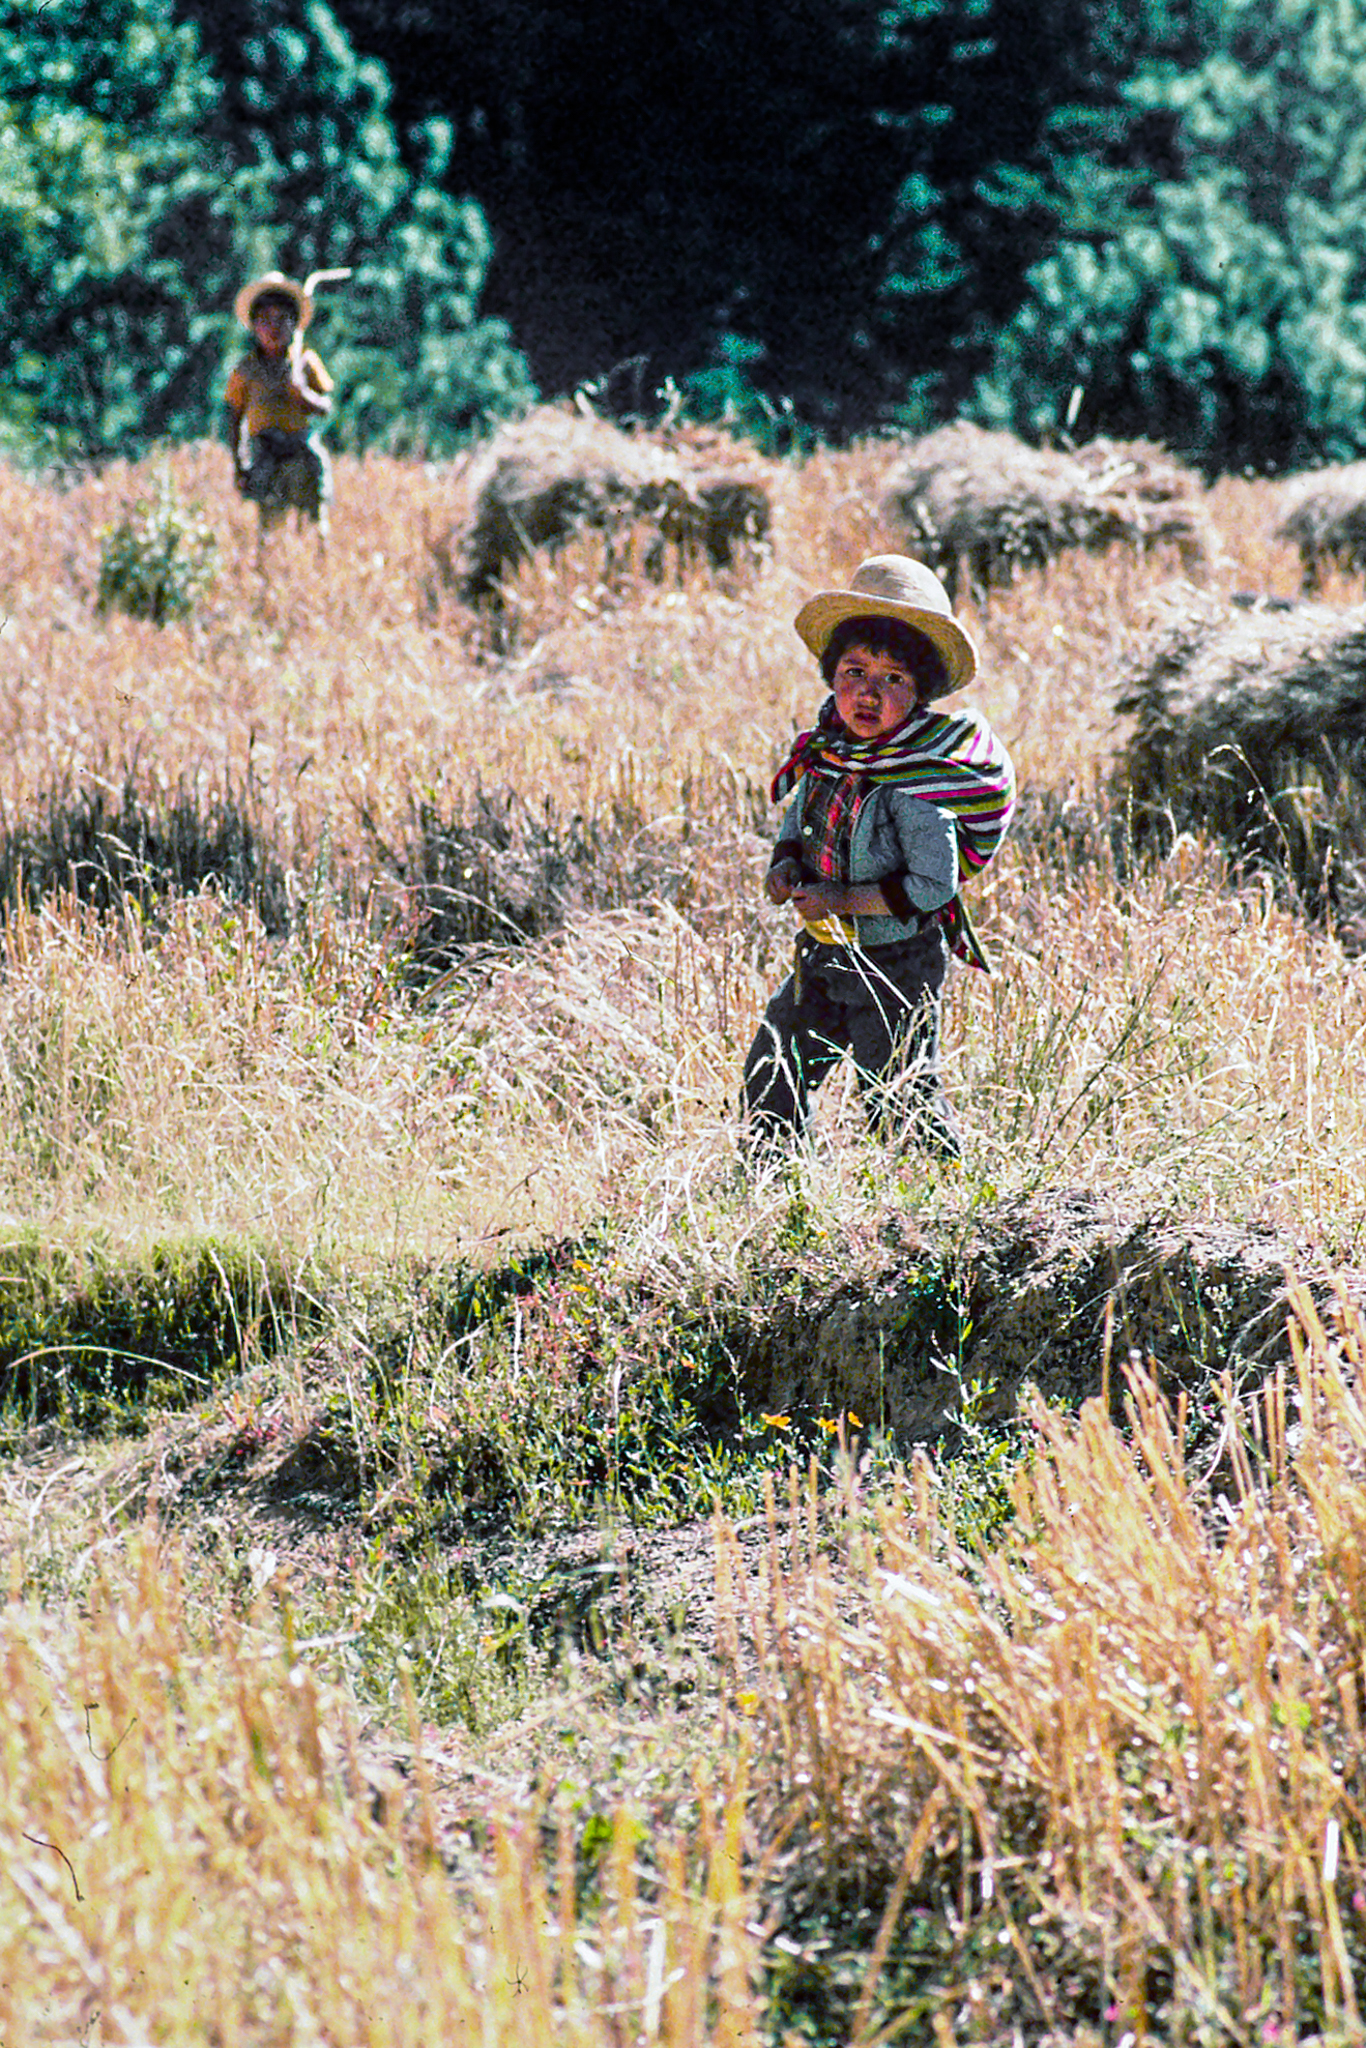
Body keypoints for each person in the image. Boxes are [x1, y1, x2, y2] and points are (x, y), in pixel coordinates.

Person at [742, 554, 1016, 1162]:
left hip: (896, 961)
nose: (869, 691)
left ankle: (937, 1203)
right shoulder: (828, 754)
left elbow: (931, 886)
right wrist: (785, 864)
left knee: (895, 1092)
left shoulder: (916, 782)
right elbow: (799, 821)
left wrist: (842, 898)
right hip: (824, 953)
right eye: (855, 671)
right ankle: (769, 1193)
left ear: (918, 697)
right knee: (774, 1071)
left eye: (894, 679)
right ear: (830, 677)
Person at [222, 271, 335, 563]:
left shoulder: (305, 361)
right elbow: (234, 419)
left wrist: (303, 396)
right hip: (265, 453)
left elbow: (326, 406)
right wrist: (239, 465)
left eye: (281, 319)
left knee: (315, 525)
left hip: (300, 448)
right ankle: (269, 579)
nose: (273, 327)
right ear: (254, 326)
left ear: (294, 324)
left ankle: (318, 572)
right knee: (269, 529)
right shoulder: (244, 370)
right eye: (265, 320)